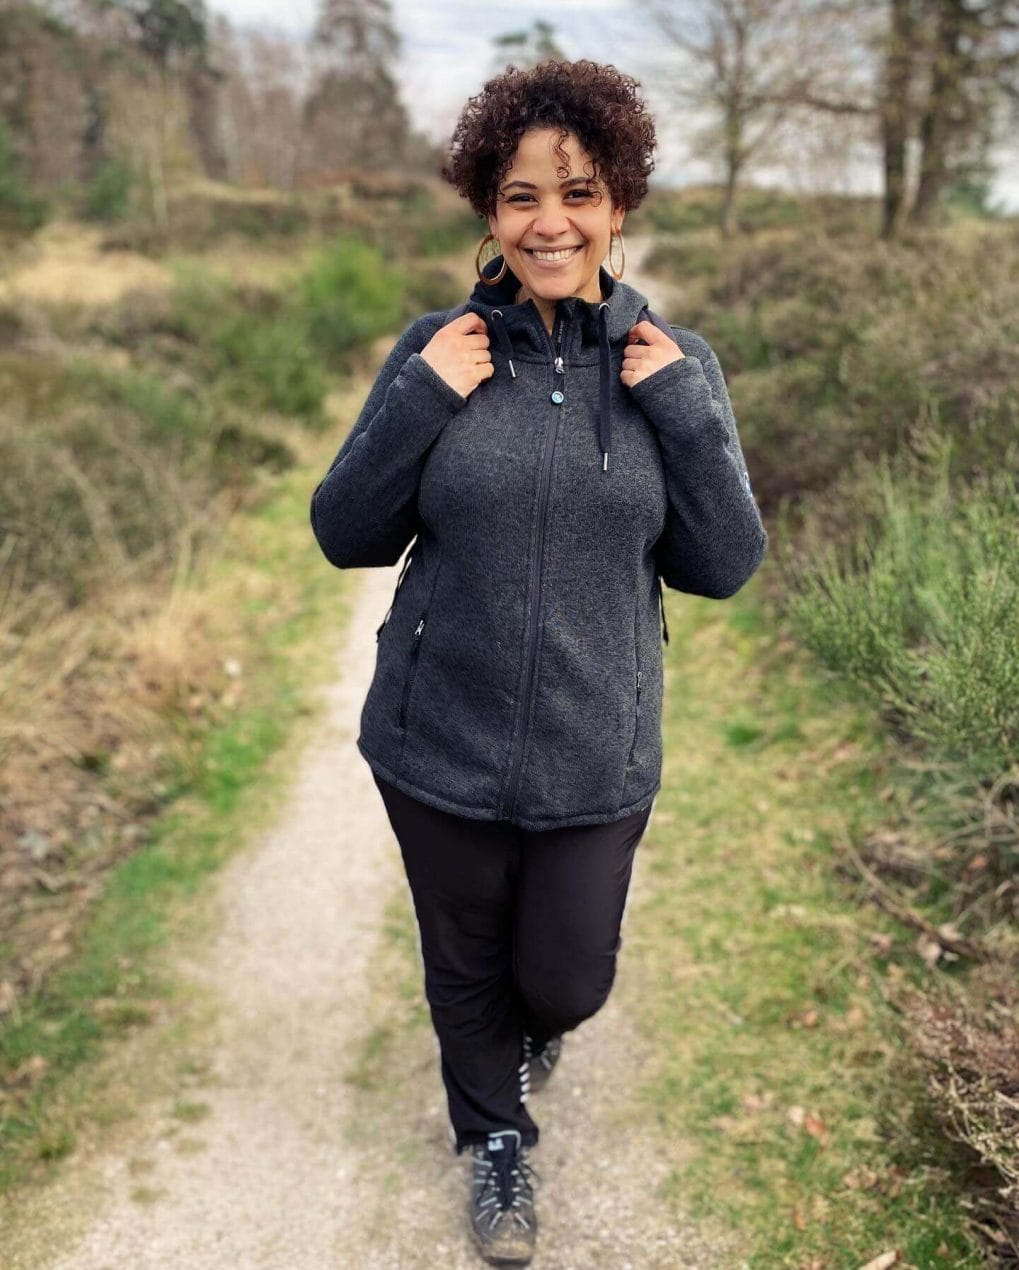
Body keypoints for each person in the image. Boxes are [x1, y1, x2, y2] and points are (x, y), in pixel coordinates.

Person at [310, 58, 768, 1267]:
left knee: (564, 982)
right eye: (519, 196)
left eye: (575, 193)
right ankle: (493, 1138)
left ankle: (533, 1031)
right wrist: (419, 397)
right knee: (461, 964)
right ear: (487, 211)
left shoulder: (677, 363)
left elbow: (722, 563)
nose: (548, 221)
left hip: (593, 749)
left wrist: (681, 409)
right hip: (434, 740)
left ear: (618, 205)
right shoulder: (438, 349)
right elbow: (342, 532)